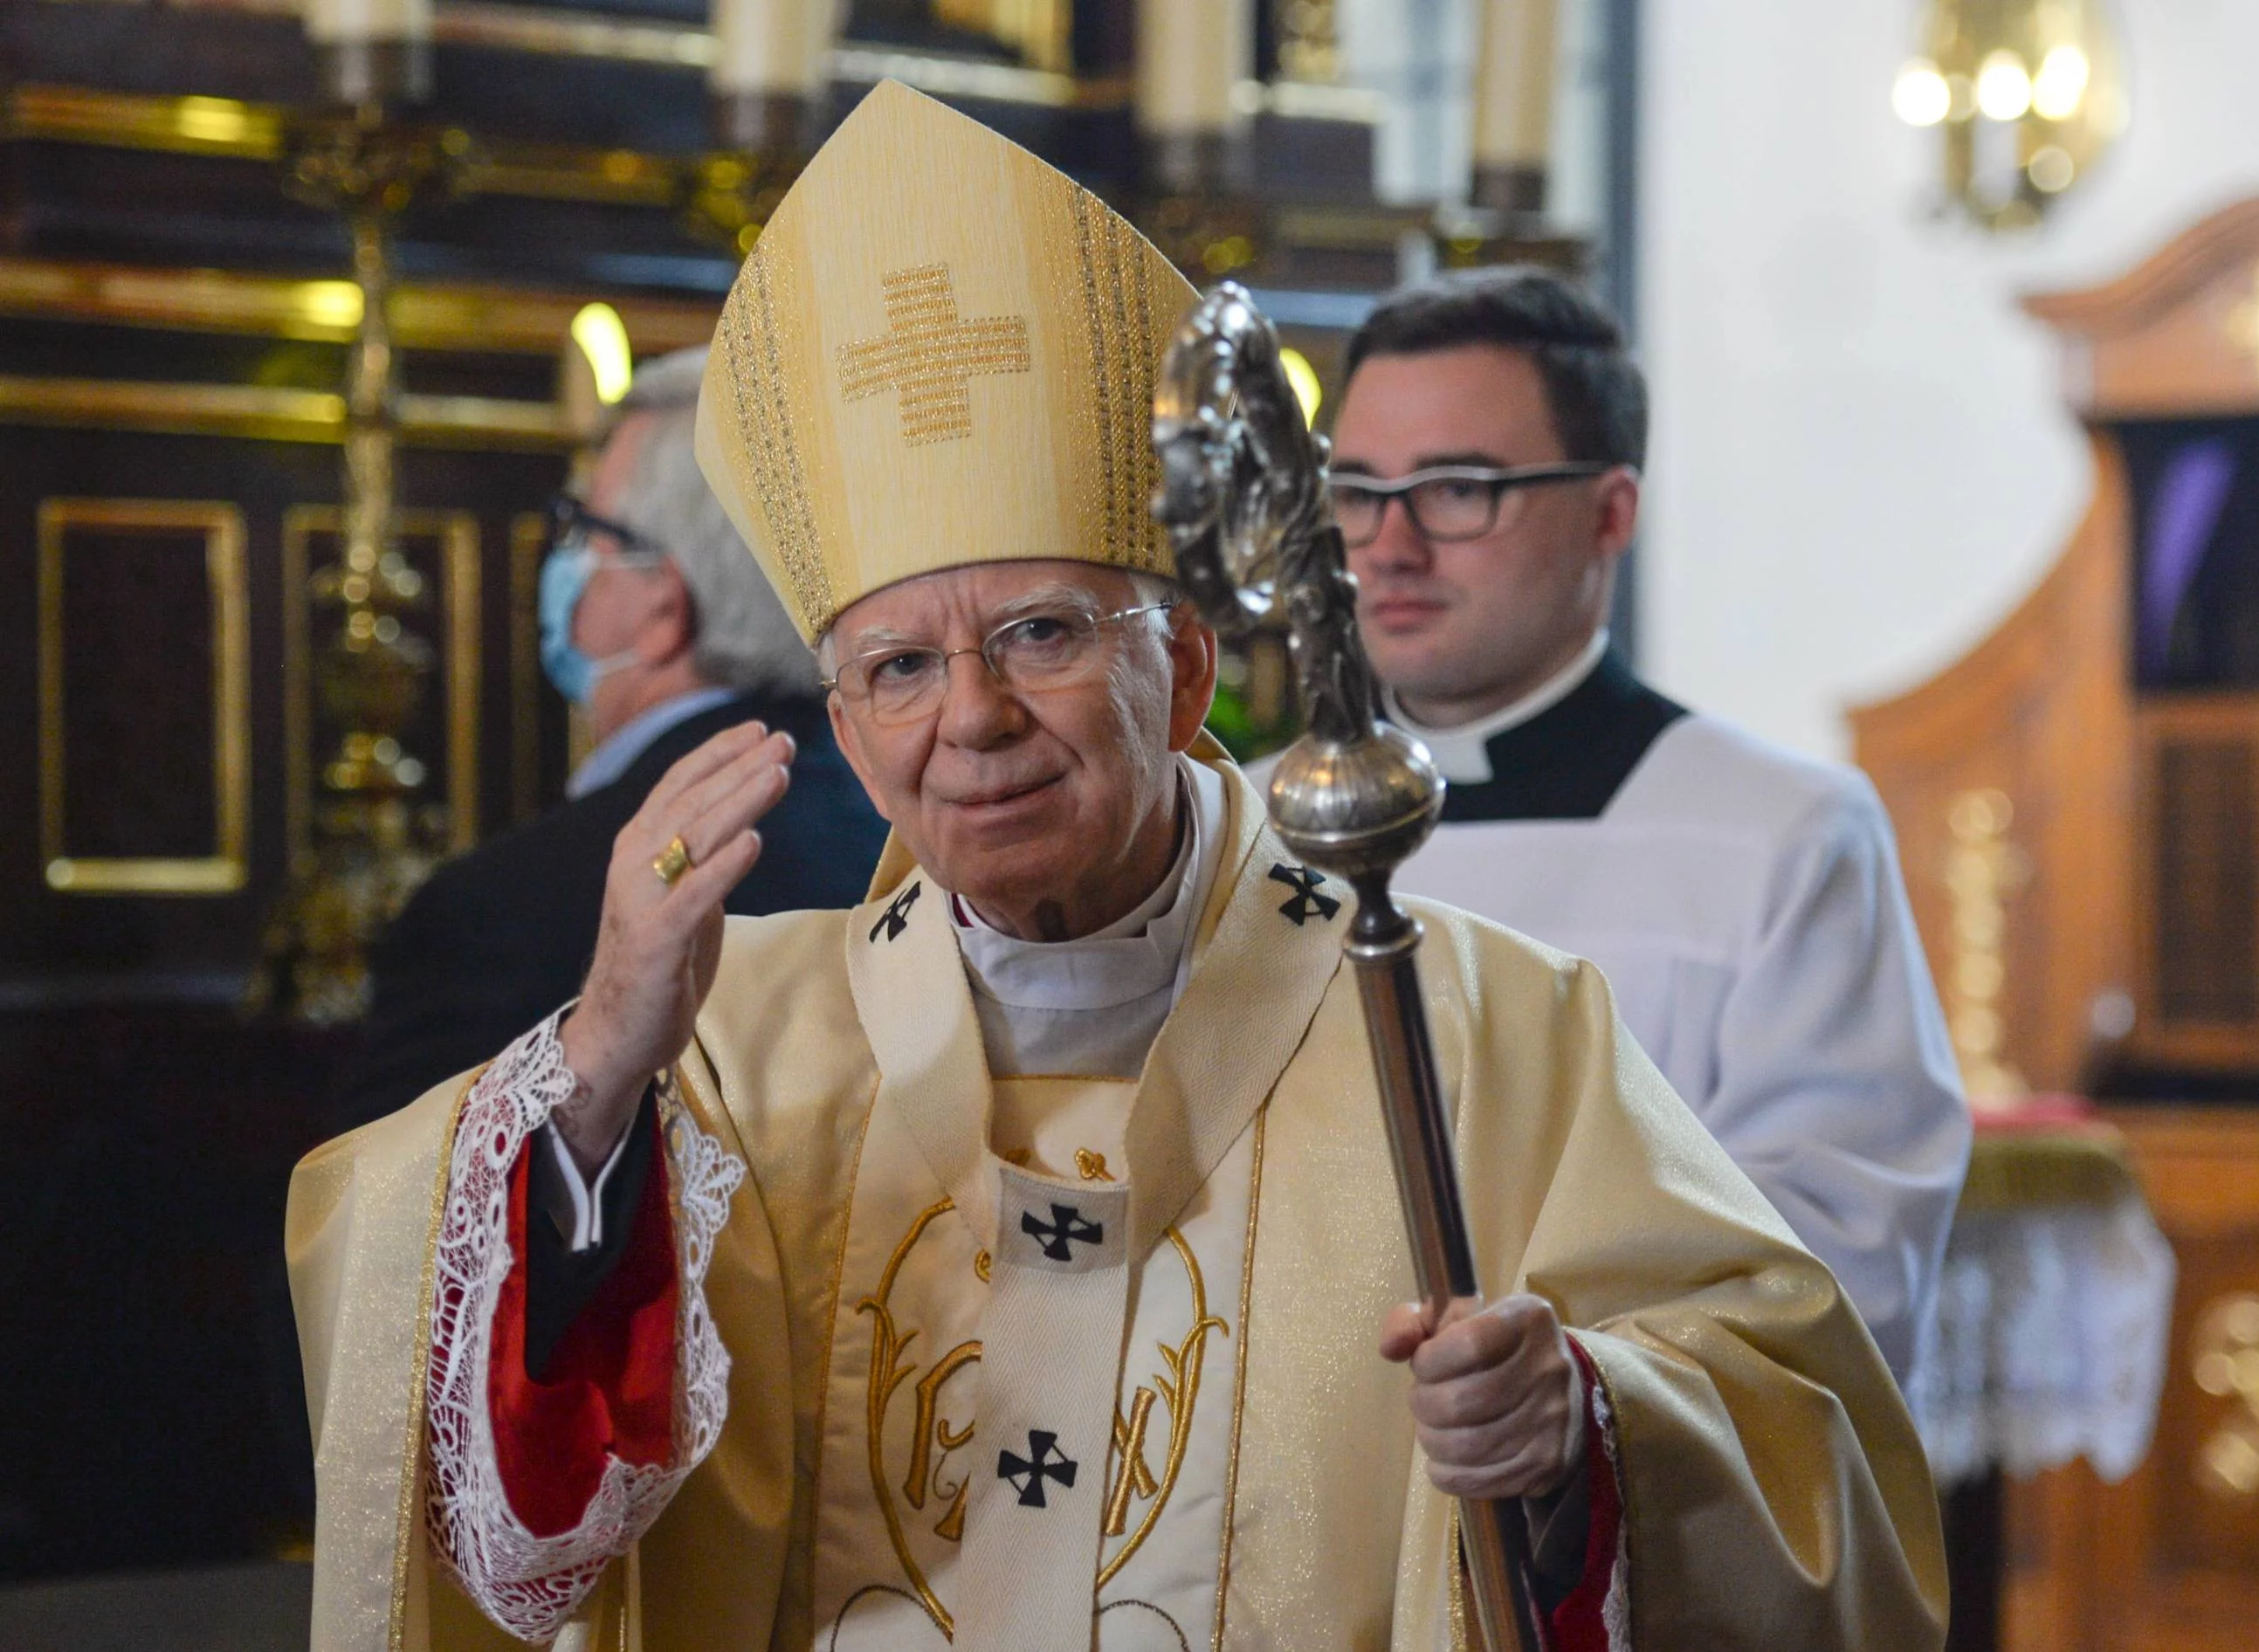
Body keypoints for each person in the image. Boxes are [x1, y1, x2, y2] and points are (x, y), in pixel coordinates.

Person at [287, 83, 1945, 1652]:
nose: (977, 719)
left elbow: (1808, 1441)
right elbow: (509, 1511)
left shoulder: (1475, 1024)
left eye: (1041, 633)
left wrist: (1579, 1420)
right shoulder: (738, 1049)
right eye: (899, 669)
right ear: (847, 733)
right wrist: (589, 1075)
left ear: (1190, 668)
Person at [1317, 267, 1970, 1387]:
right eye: (1358, 490)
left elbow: (1829, 1271)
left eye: (1457, 487)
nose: (1389, 545)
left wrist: (1564, 1394)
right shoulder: (1260, 830)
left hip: (1604, 1502)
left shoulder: (1782, 834)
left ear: (1610, 511)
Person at [329, 348, 887, 1125]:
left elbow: (391, 1232)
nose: (561, 563)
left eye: (583, 528)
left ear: (662, 606)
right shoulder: (909, 838)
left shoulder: (494, 913)